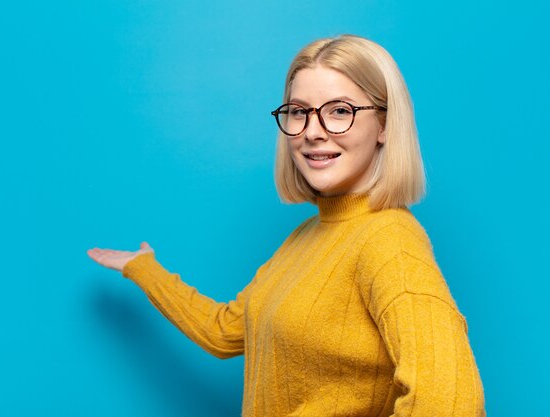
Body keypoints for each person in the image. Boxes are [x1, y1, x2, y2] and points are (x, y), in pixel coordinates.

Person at [87, 34, 486, 417]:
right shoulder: (306, 236)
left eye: (340, 111)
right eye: (299, 112)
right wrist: (144, 269)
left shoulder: (390, 242)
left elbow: (450, 403)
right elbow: (226, 331)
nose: (313, 131)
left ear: (384, 124)